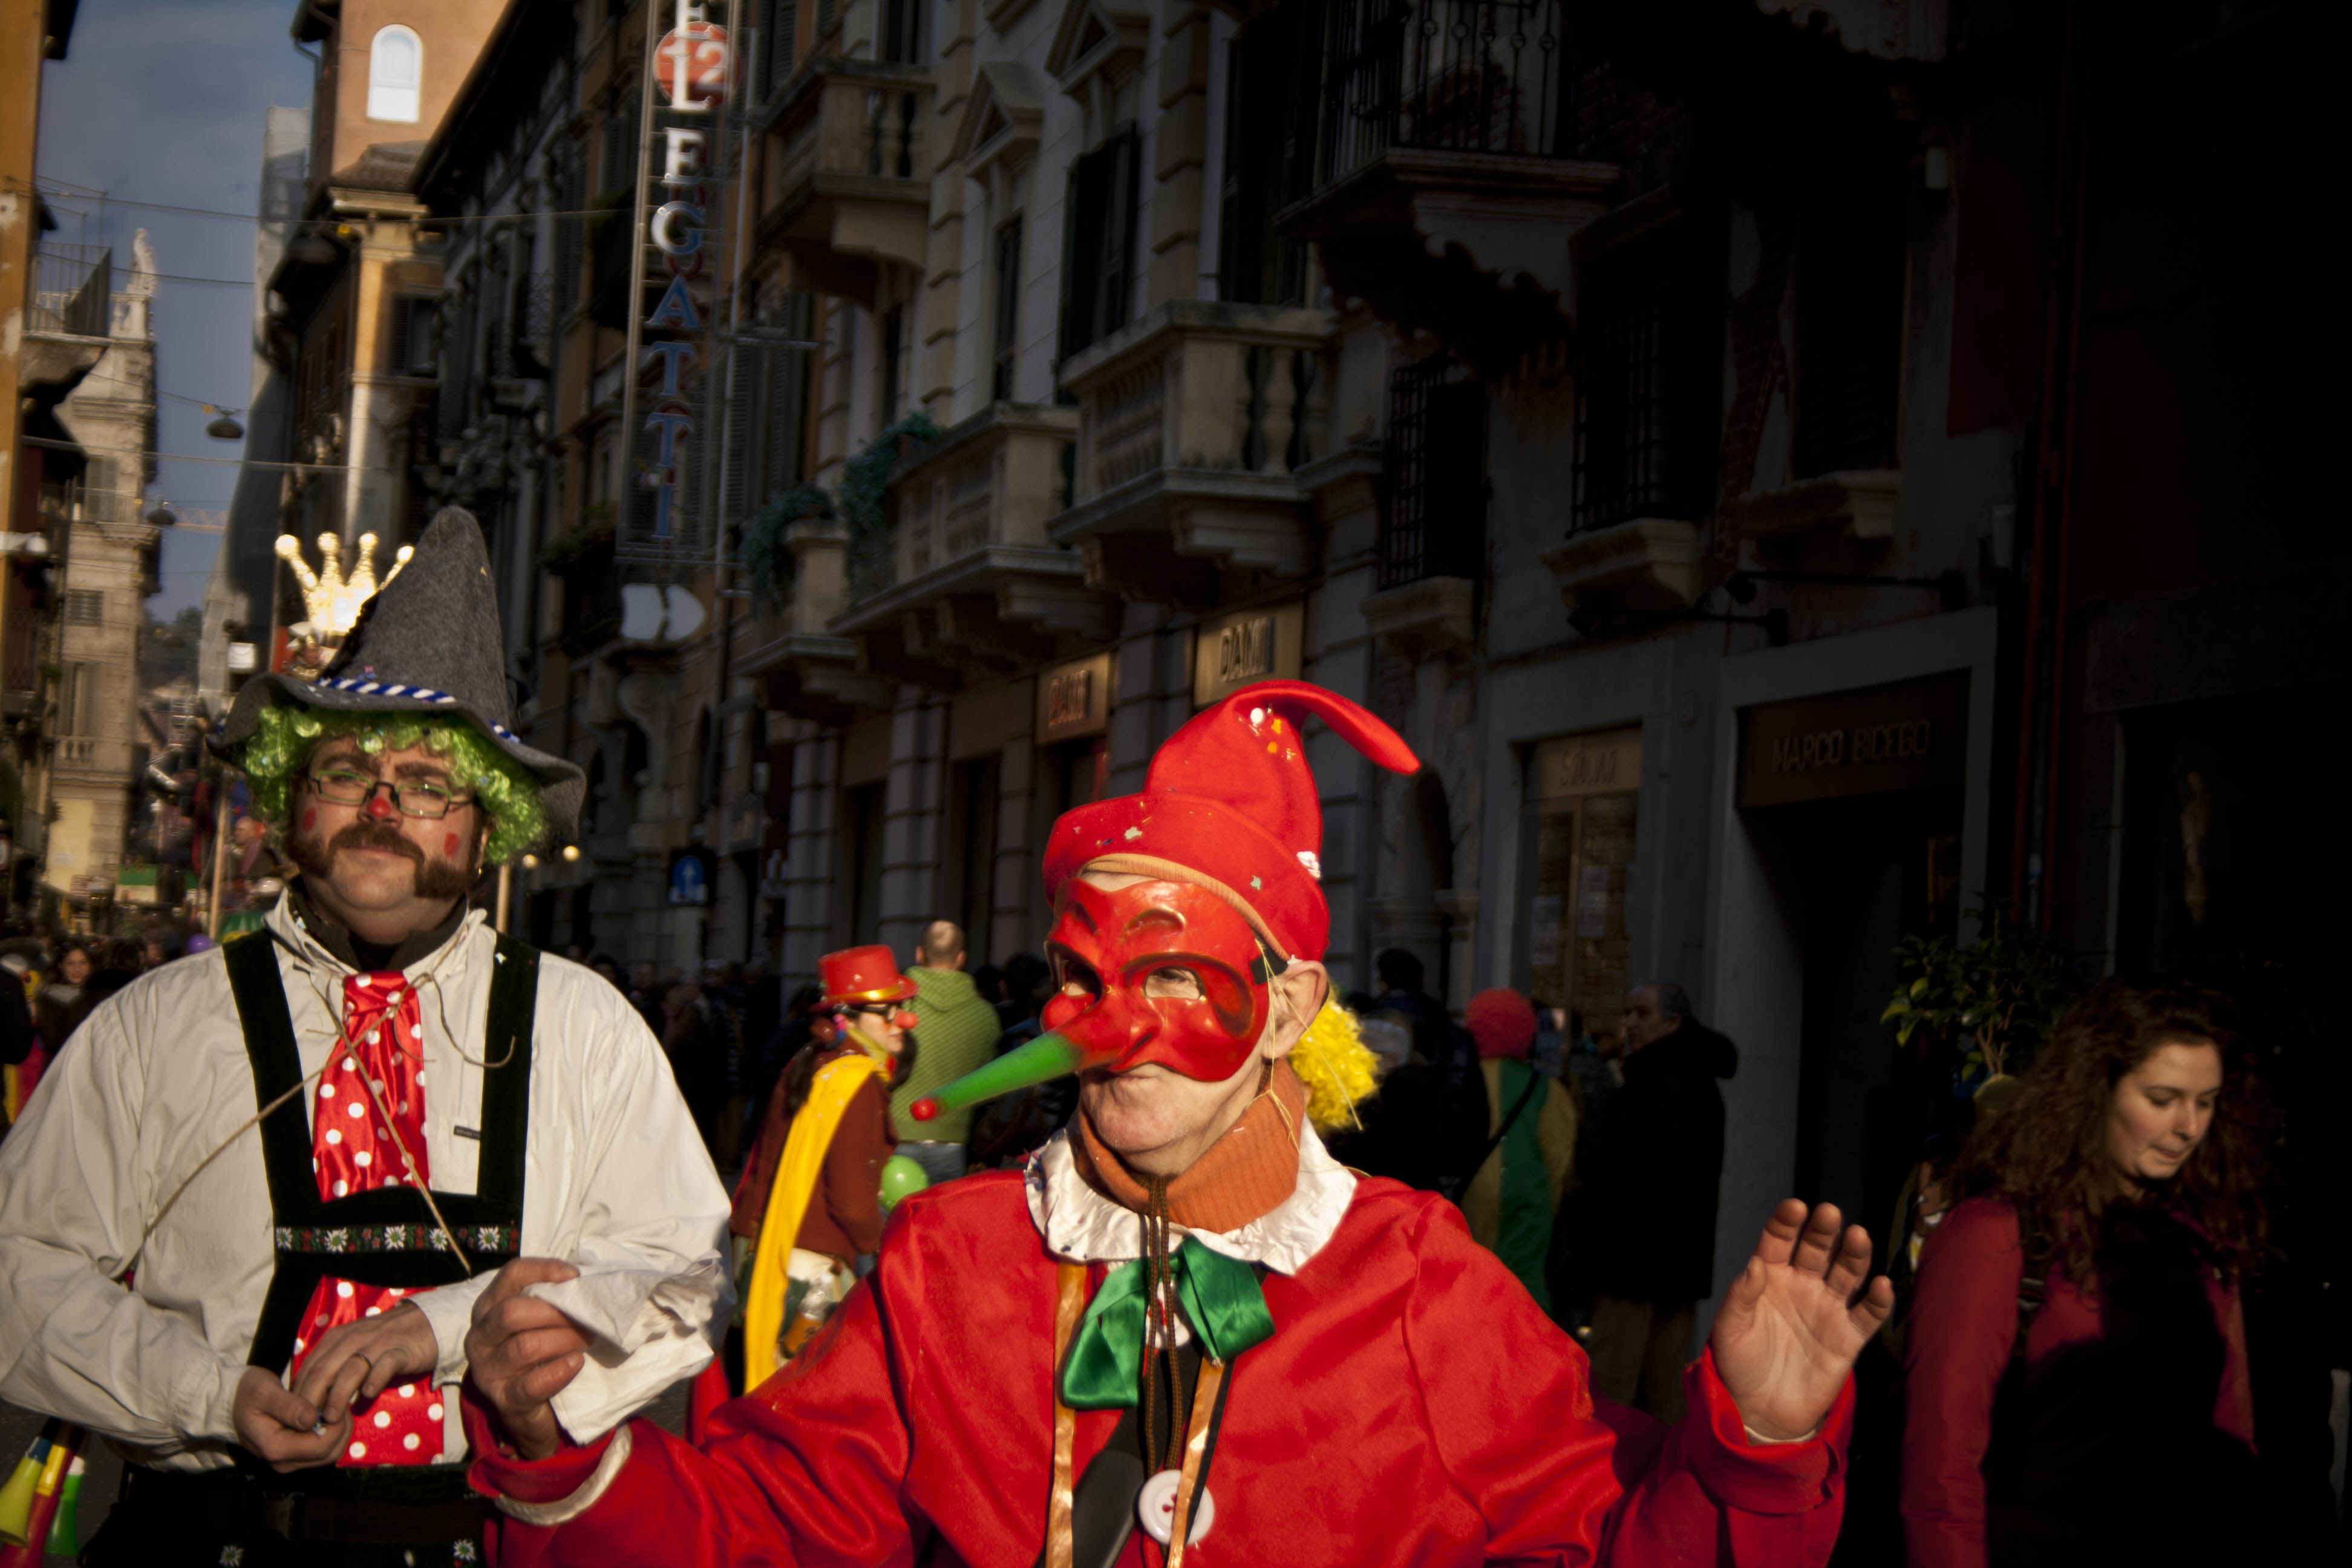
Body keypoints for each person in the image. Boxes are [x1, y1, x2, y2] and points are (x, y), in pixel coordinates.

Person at [459, 679, 1890, 1568]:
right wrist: (573, 1465)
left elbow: (1604, 1545)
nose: (1110, 1026)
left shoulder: (1422, 1282)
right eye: (1084, 979)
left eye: (1173, 978)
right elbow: (769, 1533)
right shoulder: (953, 1258)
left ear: (1286, 1005)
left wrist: (1756, 1442)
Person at [0, 510, 729, 1566]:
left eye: (429, 783)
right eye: (346, 772)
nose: (383, 804)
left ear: (485, 830)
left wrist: (443, 1327)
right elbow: (20, 1268)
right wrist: (208, 1392)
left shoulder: (585, 1027)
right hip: (198, 1534)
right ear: (295, 800)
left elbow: (678, 1273)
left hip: (469, 1537)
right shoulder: (155, 1026)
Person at [1900, 981, 2291, 1565]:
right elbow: (1941, 1471)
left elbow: (2232, 1447)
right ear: (2095, 1091)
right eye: (2163, 1098)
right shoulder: (1997, 1235)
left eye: (2205, 1101)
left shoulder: (2203, 1247)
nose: (2188, 1125)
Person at [730, 946, 911, 1388]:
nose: (903, 1022)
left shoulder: (809, 1063)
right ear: (847, 1018)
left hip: (769, 1246)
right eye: (887, 1011)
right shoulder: (857, 1082)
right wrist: (879, 1241)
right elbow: (849, 1197)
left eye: (903, 1008)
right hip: (813, 1263)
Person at [1565, 980, 1739, 1423]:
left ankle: (1603, 1482)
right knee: (1664, 1386)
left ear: (1673, 1022)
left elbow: (1609, 1165)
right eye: (1629, 1013)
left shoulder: (1652, 1080)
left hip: (1633, 1257)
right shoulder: (1696, 1080)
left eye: (1642, 1013)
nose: (1629, 1023)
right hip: (1676, 1257)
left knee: (1612, 1386)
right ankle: (1663, 1480)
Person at [1458, 988, 1577, 1313]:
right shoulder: (1547, 1089)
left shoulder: (1458, 1080)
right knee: (1520, 1292)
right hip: (1525, 1200)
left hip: (1467, 1197)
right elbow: (1560, 1159)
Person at [888, 919, 1002, 1185]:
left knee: (890, 1224)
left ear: (919, 954)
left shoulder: (897, 1006)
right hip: (953, 1141)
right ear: (961, 959)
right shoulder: (985, 1016)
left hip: (895, 1135)